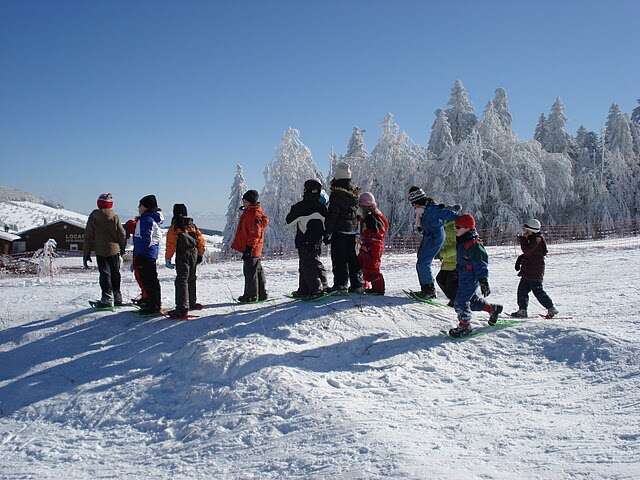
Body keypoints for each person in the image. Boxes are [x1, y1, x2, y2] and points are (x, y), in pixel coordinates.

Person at [449, 214, 503, 337]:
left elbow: (481, 264)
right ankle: (492, 309)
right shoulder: (462, 241)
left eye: (458, 227)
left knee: (461, 301)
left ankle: (465, 325)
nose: (455, 229)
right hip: (463, 276)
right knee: (472, 301)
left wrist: (483, 280)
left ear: (467, 228)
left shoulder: (474, 245)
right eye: (454, 227)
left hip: (471, 277)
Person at [408, 186, 460, 299]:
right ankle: (426, 288)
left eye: (414, 203)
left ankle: (429, 291)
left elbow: (448, 214)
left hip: (435, 237)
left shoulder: (432, 209)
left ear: (418, 201)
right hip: (429, 237)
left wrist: (464, 221)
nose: (413, 206)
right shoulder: (422, 210)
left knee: (423, 263)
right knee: (420, 262)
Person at [324, 162, 363, 293]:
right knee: (352, 258)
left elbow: (333, 215)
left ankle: (340, 284)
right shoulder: (354, 193)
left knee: (339, 258)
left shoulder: (336, 194)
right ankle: (357, 284)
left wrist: (327, 232)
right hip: (352, 231)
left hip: (339, 231)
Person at [286, 179, 328, 298]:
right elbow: (327, 223)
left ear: (305, 190)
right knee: (312, 262)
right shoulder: (322, 207)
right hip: (317, 240)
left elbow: (289, 221)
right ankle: (307, 289)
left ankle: (316, 289)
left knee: (307, 264)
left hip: (303, 239)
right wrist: (326, 235)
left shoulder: (299, 207)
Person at [83, 193, 126, 308]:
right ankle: (117, 296)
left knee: (104, 274)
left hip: (100, 251)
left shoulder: (94, 216)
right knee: (115, 273)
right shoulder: (115, 216)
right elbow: (122, 233)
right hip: (114, 250)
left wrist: (86, 253)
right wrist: (122, 247)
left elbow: (88, 235)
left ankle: (106, 297)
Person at [510, 219, 559, 319]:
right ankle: (522, 311)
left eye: (526, 230)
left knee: (538, 291)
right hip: (528, 271)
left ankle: (551, 308)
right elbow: (529, 254)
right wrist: (520, 260)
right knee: (522, 291)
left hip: (535, 272)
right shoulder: (533, 239)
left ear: (531, 230)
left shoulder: (537, 239)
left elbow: (527, 251)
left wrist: (523, 240)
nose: (524, 232)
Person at [165, 204, 206, 319]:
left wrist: (168, 258)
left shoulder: (174, 227)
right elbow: (200, 240)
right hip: (193, 254)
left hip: (182, 255)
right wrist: (200, 253)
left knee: (181, 280)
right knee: (191, 278)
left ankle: (182, 309)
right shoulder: (192, 225)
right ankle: (191, 302)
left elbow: (171, 245)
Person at [231, 190, 269, 302]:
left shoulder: (253, 214)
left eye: (245, 201)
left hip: (252, 248)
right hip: (254, 248)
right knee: (256, 270)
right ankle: (261, 293)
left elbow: (255, 233)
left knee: (250, 272)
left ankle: (251, 295)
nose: (243, 202)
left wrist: (249, 248)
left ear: (250, 201)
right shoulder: (251, 212)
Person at [133, 194, 164, 314]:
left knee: (150, 281)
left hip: (145, 255)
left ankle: (154, 305)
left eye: (140, 205)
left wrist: (140, 254)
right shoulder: (147, 218)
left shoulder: (146, 219)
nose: (138, 208)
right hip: (147, 254)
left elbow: (145, 238)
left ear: (145, 207)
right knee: (149, 280)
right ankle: (149, 301)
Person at [357, 192, 389, 295]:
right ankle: (364, 284)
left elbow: (379, 232)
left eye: (362, 207)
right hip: (367, 244)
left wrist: (371, 243)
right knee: (361, 264)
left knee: (372, 266)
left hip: (373, 245)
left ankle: (378, 289)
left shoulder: (374, 218)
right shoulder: (370, 216)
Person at [124, 217, 147, 305]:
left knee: (141, 277)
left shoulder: (136, 226)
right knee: (140, 277)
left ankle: (146, 297)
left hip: (141, 255)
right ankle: (145, 296)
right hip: (140, 255)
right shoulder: (137, 226)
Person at [435, 220, 458, 307]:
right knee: (440, 279)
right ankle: (454, 299)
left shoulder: (453, 228)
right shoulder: (445, 227)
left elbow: (456, 247)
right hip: (447, 262)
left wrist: (442, 253)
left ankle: (456, 300)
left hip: (455, 263)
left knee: (450, 284)